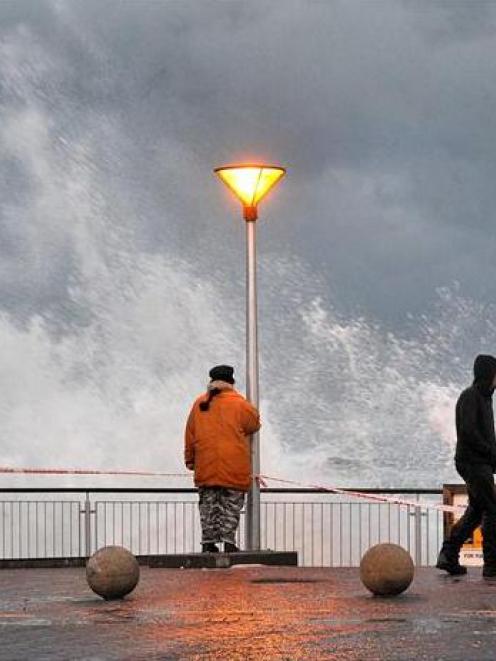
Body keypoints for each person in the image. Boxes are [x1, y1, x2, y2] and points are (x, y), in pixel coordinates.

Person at [184, 364, 261, 553]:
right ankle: (229, 543)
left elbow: (190, 435)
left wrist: (190, 461)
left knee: (208, 507)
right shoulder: (240, 404)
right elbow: (254, 424)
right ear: (231, 382)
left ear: (211, 382)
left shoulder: (199, 404)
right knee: (231, 507)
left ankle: (208, 544)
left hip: (206, 467)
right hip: (233, 467)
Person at [436, 354, 496, 578]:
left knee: (477, 510)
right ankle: (492, 565)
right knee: (492, 509)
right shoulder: (470, 397)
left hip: (481, 462)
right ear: (489, 374)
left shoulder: (484, 398)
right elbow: (469, 433)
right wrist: (491, 454)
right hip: (472, 462)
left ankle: (448, 555)